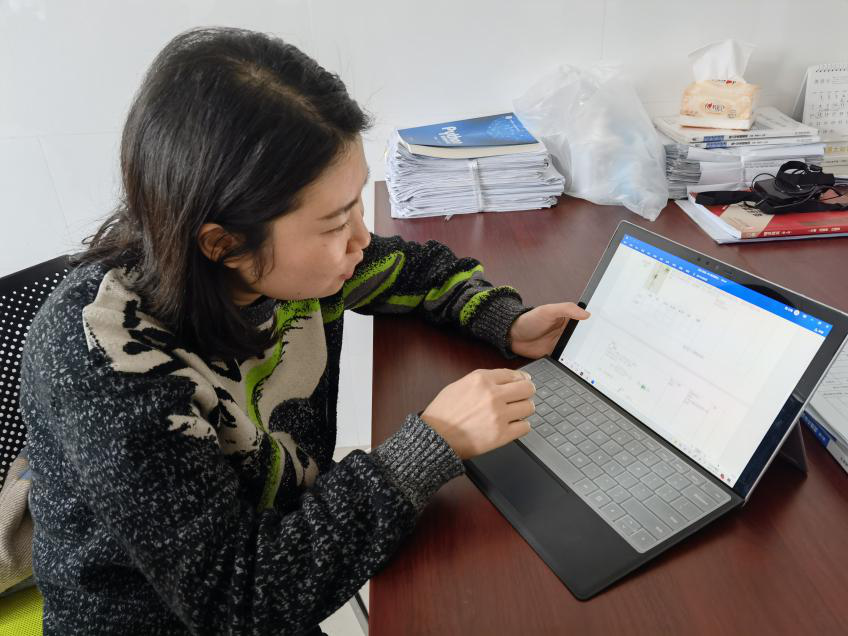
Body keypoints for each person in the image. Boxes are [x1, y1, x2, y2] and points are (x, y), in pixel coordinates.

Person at [20, 27, 589, 635]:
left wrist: (505, 319)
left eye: (356, 204)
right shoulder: (107, 365)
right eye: (335, 222)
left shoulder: (290, 267)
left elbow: (411, 271)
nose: (361, 238)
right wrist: (430, 446)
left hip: (272, 551)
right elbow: (241, 602)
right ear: (223, 243)